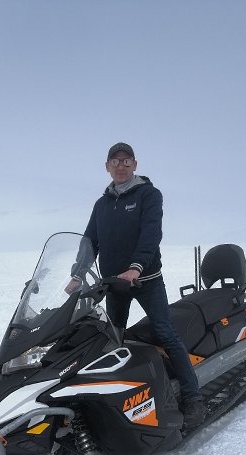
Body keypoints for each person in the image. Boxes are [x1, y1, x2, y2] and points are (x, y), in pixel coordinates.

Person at [69, 142, 205, 428]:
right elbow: (90, 241)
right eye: (115, 161)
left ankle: (193, 397)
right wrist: (78, 274)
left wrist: (136, 266)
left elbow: (151, 233)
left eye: (126, 160)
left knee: (166, 334)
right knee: (114, 339)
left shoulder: (149, 195)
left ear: (135, 164)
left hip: (146, 280)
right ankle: (119, 400)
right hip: (114, 285)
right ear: (107, 167)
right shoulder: (101, 205)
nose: (121, 165)